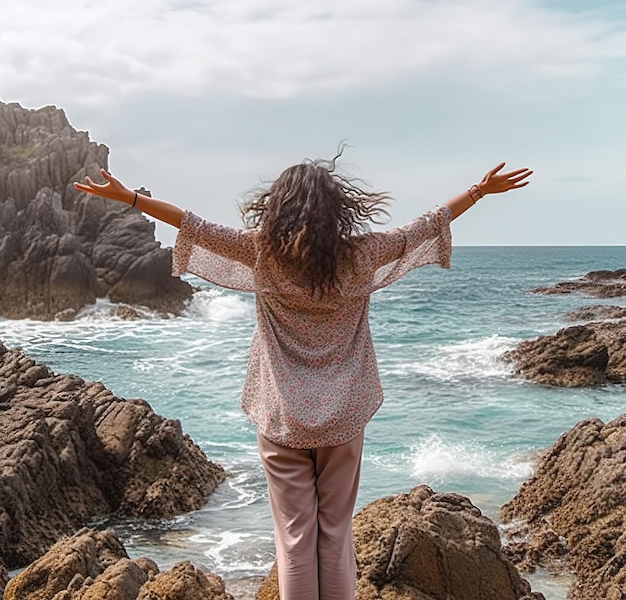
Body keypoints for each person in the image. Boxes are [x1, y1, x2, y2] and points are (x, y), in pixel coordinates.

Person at [74, 154, 531, 600]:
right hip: (345, 416)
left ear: (277, 207)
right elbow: (425, 226)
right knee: (334, 534)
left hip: (282, 417)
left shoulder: (260, 253)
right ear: (339, 209)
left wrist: (131, 198)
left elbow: (191, 224)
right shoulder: (363, 255)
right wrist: (479, 191)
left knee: (295, 540)